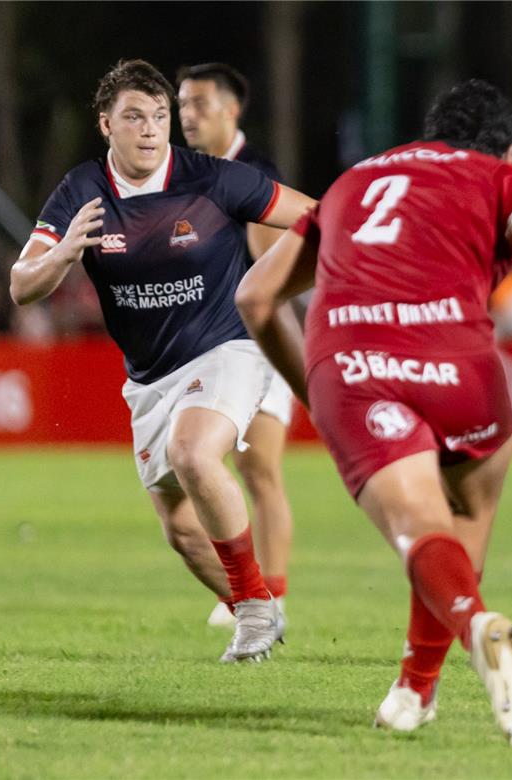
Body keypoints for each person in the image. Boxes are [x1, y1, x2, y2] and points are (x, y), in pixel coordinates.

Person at [235, 80, 512, 745]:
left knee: (419, 527)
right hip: (457, 366)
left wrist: (316, 393)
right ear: (509, 147)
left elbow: (257, 298)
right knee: (463, 517)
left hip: (353, 363)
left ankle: (454, 650)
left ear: (430, 134)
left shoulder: (353, 182)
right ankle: (423, 682)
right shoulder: (504, 180)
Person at [9, 59, 318, 663]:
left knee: (194, 452)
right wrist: (64, 252)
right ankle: (259, 604)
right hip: (150, 379)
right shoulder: (81, 192)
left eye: (159, 117)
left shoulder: (215, 179)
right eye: (134, 118)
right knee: (180, 531)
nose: (150, 130)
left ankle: (254, 611)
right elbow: (21, 285)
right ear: (106, 125)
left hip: (228, 347)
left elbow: (317, 218)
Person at [176, 62, 297, 629]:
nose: (187, 115)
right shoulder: (189, 176)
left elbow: (273, 269)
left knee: (259, 469)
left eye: (200, 103)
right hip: (210, 347)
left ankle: (271, 593)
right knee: (208, 469)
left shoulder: (253, 173)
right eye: (182, 105)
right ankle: (253, 591)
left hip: (256, 343)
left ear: (232, 109)